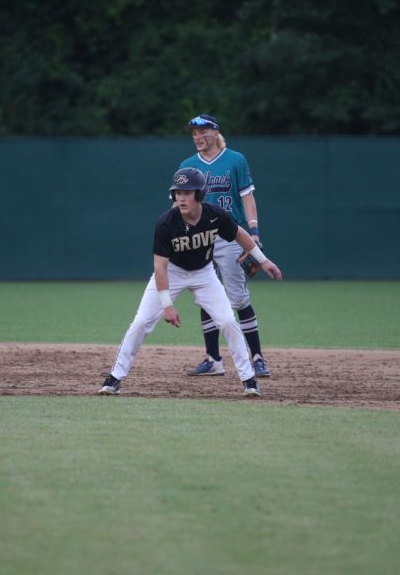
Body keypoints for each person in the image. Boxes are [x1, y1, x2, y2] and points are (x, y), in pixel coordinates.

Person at [99, 167, 282, 398]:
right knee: (141, 321)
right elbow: (160, 267)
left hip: (204, 273)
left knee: (227, 320)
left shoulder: (214, 215)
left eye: (188, 192)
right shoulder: (166, 223)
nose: (181, 197)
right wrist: (167, 305)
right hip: (172, 272)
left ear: (200, 194)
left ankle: (248, 380)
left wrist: (263, 260)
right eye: (178, 192)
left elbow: (239, 234)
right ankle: (114, 377)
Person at [177, 114, 273, 379]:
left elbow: (247, 197)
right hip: (201, 237)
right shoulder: (188, 165)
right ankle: (214, 359)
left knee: (239, 297)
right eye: (193, 133)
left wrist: (253, 232)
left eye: (202, 131)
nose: (197, 137)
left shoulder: (235, 160)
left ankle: (257, 358)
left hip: (231, 235)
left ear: (215, 132)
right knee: (205, 296)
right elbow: (179, 205)